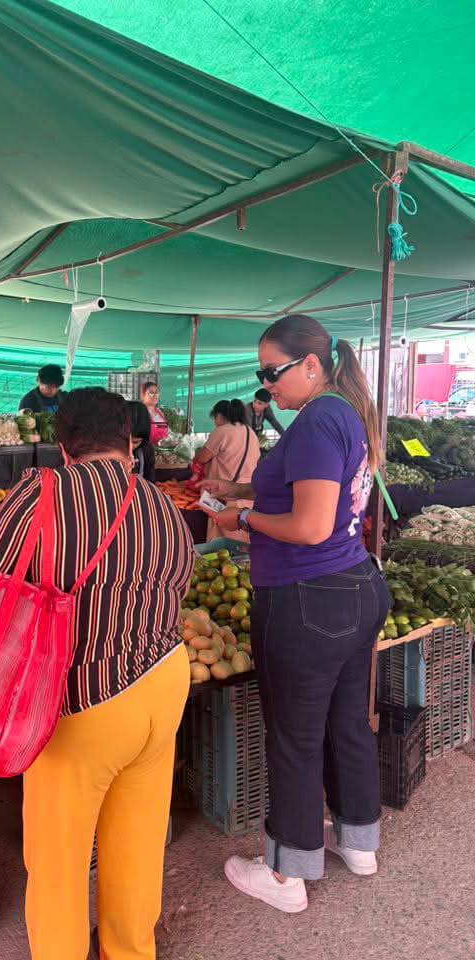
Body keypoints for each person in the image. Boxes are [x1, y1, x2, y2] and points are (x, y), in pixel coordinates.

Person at [0, 388, 194, 960]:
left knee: (59, 861)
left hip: (85, 696)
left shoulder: (43, 491)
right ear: (130, 443)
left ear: (63, 447)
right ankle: (130, 951)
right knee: (137, 842)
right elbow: (181, 578)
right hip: (165, 682)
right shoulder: (160, 502)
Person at [200, 314, 391, 913]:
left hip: (309, 600)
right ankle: (358, 842)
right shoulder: (344, 413)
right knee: (346, 723)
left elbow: (309, 527)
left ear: (310, 365)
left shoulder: (315, 421)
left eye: (271, 371)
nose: (265, 384)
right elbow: (316, 502)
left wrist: (243, 520)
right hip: (354, 588)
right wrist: (245, 497)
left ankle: (287, 875)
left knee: (295, 738)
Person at [194, 398, 259, 544]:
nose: (215, 422)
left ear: (219, 415)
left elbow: (202, 458)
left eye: (215, 418)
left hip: (224, 494)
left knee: (221, 540)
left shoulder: (222, 431)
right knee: (242, 540)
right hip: (247, 494)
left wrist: (197, 452)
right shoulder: (250, 432)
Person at [128, 399, 156, 482]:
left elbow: (150, 481)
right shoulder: (109, 450)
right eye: (125, 440)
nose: (130, 447)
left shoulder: (147, 450)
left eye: (135, 442)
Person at [140, 381, 169, 445]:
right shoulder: (140, 412)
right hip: (147, 448)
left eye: (157, 392)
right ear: (143, 395)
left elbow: (165, 432)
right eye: (151, 393)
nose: (155, 395)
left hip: (162, 448)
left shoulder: (159, 412)